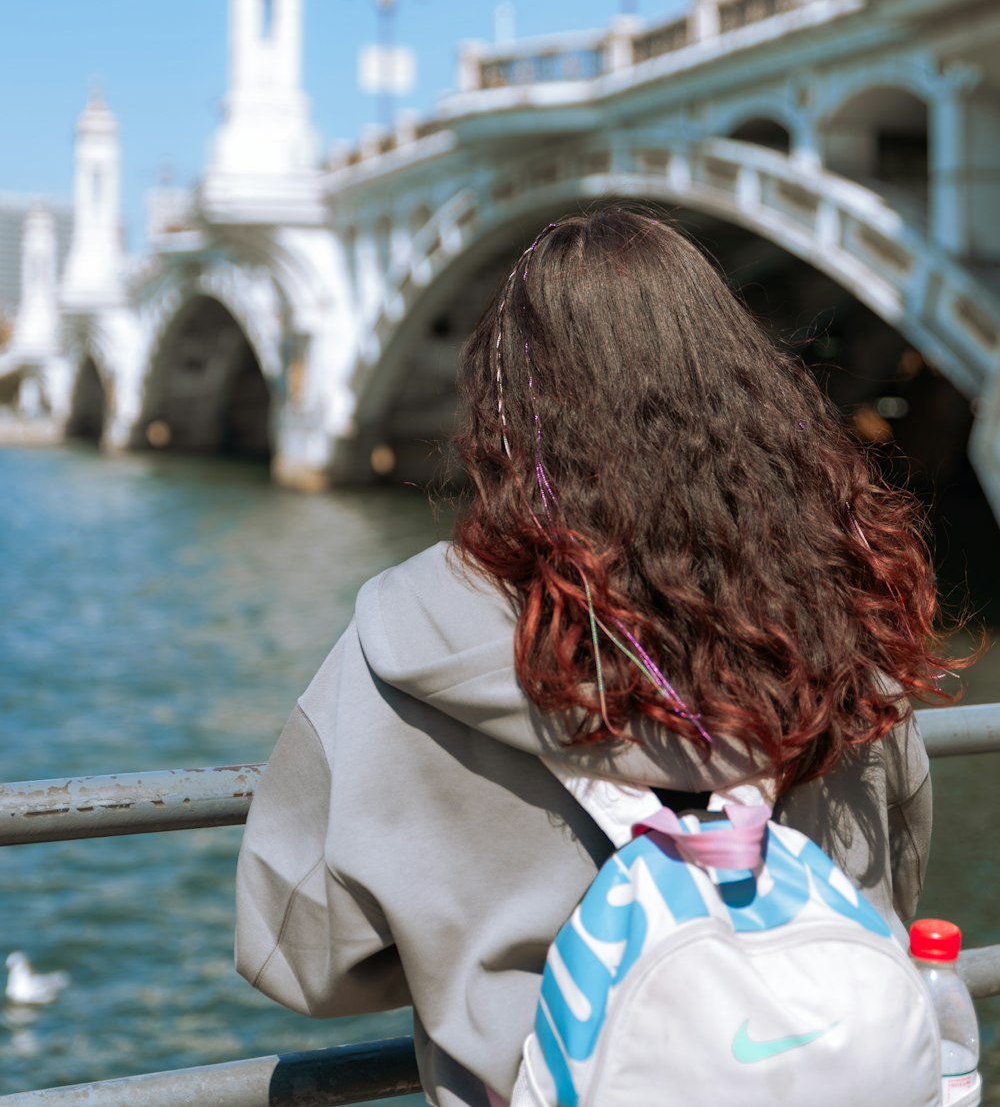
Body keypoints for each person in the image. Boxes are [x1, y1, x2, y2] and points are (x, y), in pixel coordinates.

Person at [235, 206, 955, 1107]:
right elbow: (895, 860)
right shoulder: (840, 608)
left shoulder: (410, 631)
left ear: (505, 415)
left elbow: (301, 960)